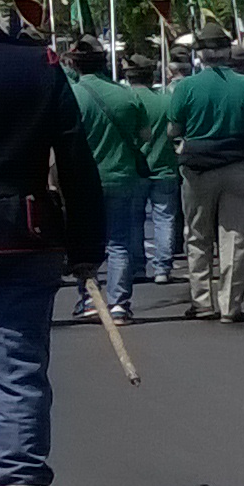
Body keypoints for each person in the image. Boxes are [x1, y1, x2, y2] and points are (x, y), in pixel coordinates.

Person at [0, 0, 103, 486]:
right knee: (17, 374)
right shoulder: (36, 65)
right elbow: (75, 160)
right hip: (21, 234)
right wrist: (86, 245)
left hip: (19, 237)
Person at [166, 24, 244, 323]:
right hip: (238, 166)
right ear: (228, 52)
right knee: (236, 237)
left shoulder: (186, 87)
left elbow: (173, 130)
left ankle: (203, 301)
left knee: (197, 235)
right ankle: (230, 305)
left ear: (199, 55)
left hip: (198, 170)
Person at [65, 39, 153, 323]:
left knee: (86, 242)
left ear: (74, 64)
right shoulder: (126, 95)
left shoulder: (71, 95)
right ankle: (119, 304)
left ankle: (89, 298)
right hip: (122, 177)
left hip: (84, 180)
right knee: (119, 243)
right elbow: (145, 135)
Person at [124, 52, 178, 285]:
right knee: (164, 219)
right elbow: (176, 130)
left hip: (135, 170)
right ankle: (162, 267)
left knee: (134, 220)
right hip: (165, 166)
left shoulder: (125, 100)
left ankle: (138, 266)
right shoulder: (166, 100)